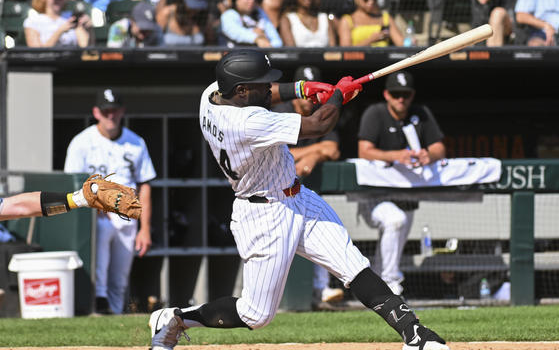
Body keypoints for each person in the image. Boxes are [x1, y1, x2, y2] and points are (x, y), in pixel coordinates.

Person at [148, 49, 449, 350]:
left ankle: (415, 334)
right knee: (256, 315)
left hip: (298, 198)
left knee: (354, 266)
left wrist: (302, 88)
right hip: (264, 214)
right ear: (240, 91)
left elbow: (264, 92)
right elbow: (318, 125)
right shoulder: (247, 122)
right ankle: (175, 319)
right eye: (261, 85)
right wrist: (339, 97)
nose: (269, 89)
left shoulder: (211, 95)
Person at [64, 88, 156, 315]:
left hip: (127, 214)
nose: (111, 116)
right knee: (101, 252)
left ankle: (113, 315)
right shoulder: (82, 142)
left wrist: (145, 228)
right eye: (106, 111)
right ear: (97, 112)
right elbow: (72, 181)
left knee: (121, 277)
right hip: (96, 214)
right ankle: (99, 300)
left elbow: (145, 184)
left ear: (122, 111)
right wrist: (93, 204)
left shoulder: (136, 143)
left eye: (114, 110)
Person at [357, 71, 446, 296]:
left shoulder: (420, 113)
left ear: (412, 95)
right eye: (396, 94)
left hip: (407, 196)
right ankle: (389, 285)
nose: (401, 99)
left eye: (405, 94)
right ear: (387, 94)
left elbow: (439, 148)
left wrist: (428, 155)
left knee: (394, 242)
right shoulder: (375, 113)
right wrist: (397, 155)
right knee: (394, 220)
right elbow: (364, 150)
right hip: (374, 195)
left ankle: (375, 291)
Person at [272, 65, 344, 308]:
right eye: (305, 93)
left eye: (312, 95)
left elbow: (333, 149)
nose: (309, 100)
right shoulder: (279, 111)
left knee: (322, 228)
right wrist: (315, 151)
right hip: (272, 193)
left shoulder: (323, 113)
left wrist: (312, 158)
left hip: (303, 192)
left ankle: (321, 289)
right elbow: (283, 152)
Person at [23, 0, 92, 47]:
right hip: (46, 62)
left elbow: (85, 47)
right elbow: (37, 54)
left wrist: (89, 30)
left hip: (71, 61)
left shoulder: (72, 17)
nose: (58, 0)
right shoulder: (32, 21)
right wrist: (60, 31)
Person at [219, 0, 283, 47]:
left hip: (260, 55)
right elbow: (234, 32)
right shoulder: (229, 14)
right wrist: (257, 38)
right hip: (234, 56)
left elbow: (275, 39)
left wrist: (271, 46)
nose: (252, 0)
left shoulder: (260, 14)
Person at [338, 0, 402, 46]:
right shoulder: (347, 20)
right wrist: (370, 40)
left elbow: (401, 43)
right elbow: (345, 52)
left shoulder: (386, 18)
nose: (371, 1)